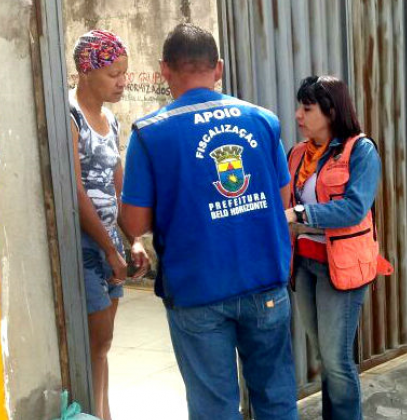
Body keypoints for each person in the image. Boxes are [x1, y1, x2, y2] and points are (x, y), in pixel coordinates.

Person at [119, 23, 298, 420]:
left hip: (197, 292)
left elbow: (135, 222)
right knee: (277, 400)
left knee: (214, 408)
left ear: (165, 69)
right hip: (265, 283)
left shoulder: (149, 135)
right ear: (217, 68)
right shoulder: (264, 122)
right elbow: (281, 199)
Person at [284, 76, 393, 420]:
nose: (298, 115)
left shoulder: (360, 150)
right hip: (304, 265)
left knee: (336, 359)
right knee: (323, 355)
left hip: (341, 269)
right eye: (299, 107)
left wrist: (300, 212)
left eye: (307, 108)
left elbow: (353, 208)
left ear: (330, 111)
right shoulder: (298, 153)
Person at [69, 29, 150, 420]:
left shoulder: (109, 121)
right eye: (114, 74)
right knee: (94, 342)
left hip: (108, 247)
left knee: (104, 344)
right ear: (87, 71)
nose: (122, 82)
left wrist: (133, 240)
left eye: (124, 73)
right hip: (86, 248)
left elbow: (119, 189)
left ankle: (103, 414)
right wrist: (107, 247)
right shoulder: (70, 118)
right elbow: (76, 194)